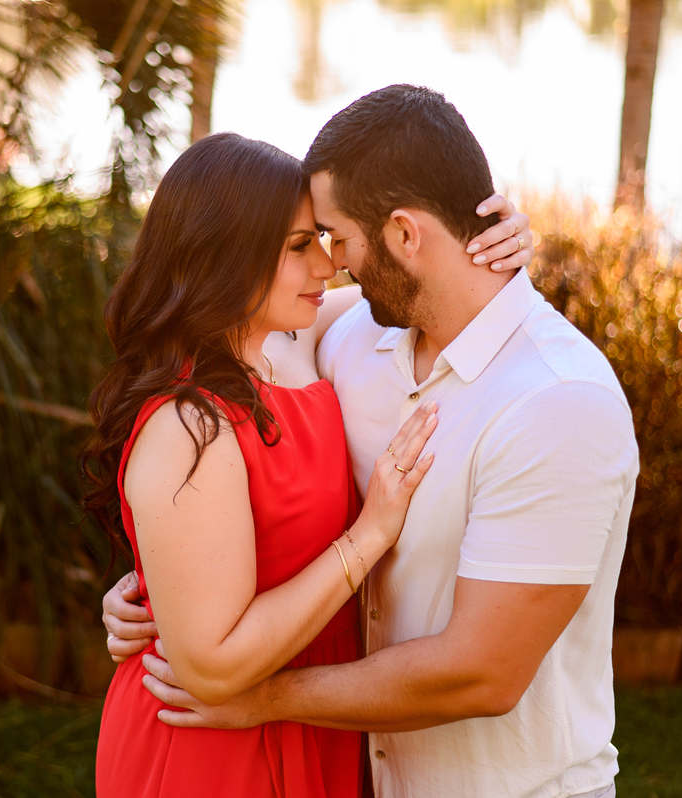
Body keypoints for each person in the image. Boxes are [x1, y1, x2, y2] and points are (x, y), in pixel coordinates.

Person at [103, 85, 639, 798]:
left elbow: (483, 673)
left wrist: (265, 697)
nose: (332, 265)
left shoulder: (557, 401)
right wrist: (162, 587)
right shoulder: (350, 342)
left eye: (336, 238)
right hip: (353, 775)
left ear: (404, 235)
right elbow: (222, 365)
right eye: (310, 243)